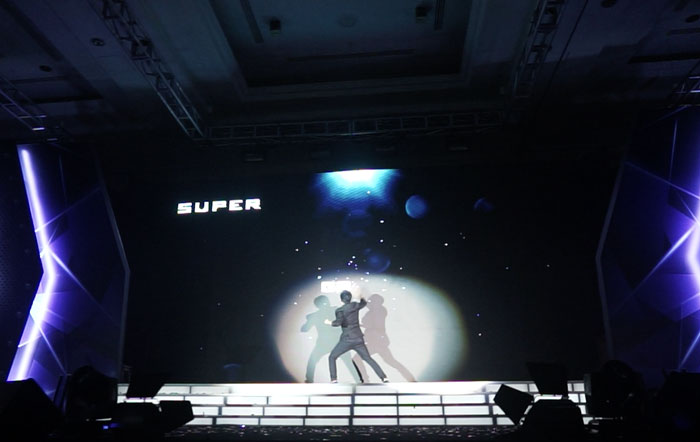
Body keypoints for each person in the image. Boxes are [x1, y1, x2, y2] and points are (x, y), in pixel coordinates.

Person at [324, 290, 389, 383]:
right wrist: (360, 295)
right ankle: (384, 377)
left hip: (347, 340)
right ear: (350, 298)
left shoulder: (340, 310)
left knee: (332, 357)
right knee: (368, 358)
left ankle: (333, 379)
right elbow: (364, 303)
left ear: (341, 299)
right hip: (358, 339)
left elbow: (337, 323)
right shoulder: (354, 305)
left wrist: (329, 322)